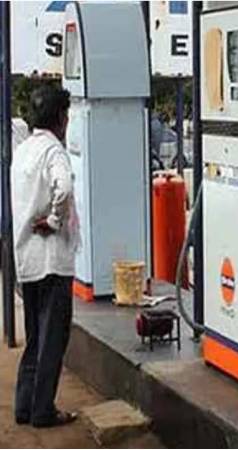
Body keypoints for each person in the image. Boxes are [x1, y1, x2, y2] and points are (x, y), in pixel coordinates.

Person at [11, 85, 79, 428]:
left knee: (35, 337)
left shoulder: (23, 150)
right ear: (61, 118)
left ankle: (24, 407)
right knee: (52, 338)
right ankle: (42, 411)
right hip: (52, 262)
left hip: (27, 260)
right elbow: (63, 187)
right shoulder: (54, 151)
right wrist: (54, 221)